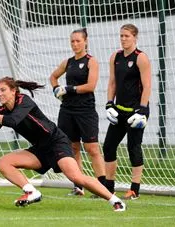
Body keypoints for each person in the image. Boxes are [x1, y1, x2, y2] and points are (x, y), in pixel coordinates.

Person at [0, 76, 126, 211]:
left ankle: (115, 200)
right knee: (3, 162)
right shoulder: (0, 112)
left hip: (56, 142)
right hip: (40, 149)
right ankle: (32, 192)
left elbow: (14, 121)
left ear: (13, 91)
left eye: (3, 90)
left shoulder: (24, 100)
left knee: (76, 177)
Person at [50, 28, 106, 196]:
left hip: (85, 110)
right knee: (72, 147)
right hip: (67, 110)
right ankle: (78, 185)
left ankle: (103, 187)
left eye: (78, 41)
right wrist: (56, 90)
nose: (75, 44)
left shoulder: (91, 61)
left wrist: (68, 89)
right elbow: (53, 77)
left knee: (92, 148)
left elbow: (90, 86)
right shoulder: (68, 62)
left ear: (85, 41)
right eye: (72, 41)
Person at [103, 24, 152, 200]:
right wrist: (109, 104)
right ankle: (109, 188)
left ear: (135, 37)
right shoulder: (115, 57)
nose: (123, 39)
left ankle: (134, 189)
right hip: (120, 110)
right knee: (108, 146)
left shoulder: (141, 58)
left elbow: (147, 86)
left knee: (134, 147)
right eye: (121, 36)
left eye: (127, 36)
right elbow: (112, 83)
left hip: (137, 111)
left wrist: (142, 110)